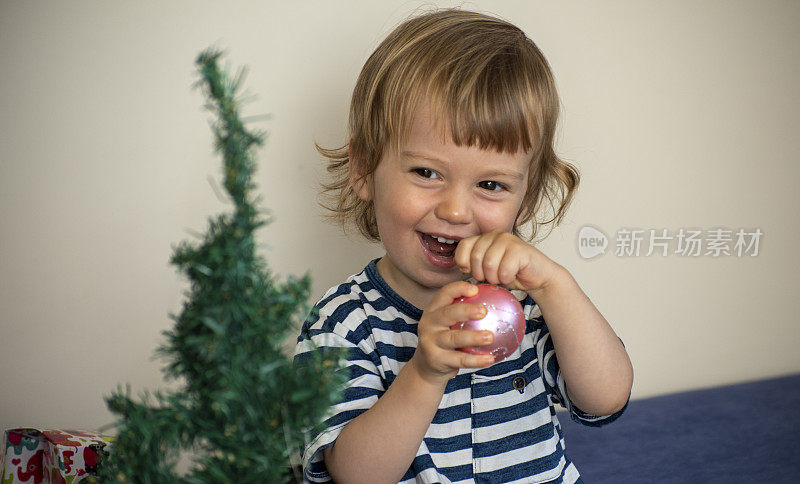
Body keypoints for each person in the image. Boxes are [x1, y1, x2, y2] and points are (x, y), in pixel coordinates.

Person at [294, 8, 633, 483]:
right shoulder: (345, 322)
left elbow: (606, 398)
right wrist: (425, 372)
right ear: (364, 169)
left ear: (526, 196)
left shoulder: (528, 301)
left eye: (491, 185)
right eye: (426, 173)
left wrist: (557, 287)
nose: (455, 210)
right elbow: (354, 476)